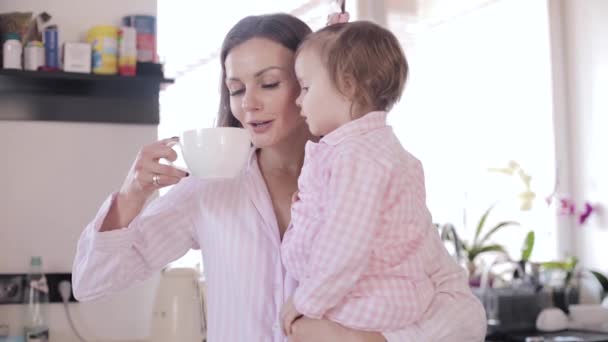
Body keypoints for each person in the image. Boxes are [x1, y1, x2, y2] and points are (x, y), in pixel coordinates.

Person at [72, 12, 486, 342]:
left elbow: (466, 315)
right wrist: (131, 194)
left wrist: (366, 339)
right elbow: (90, 283)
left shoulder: (371, 177)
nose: (248, 104)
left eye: (269, 83)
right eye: (235, 89)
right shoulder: (210, 189)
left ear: (316, 80)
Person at [279, 19, 443, 336]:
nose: (299, 100)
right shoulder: (366, 150)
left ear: (349, 86)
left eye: (307, 87)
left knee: (301, 330)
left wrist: (304, 301)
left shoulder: (357, 157)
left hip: (367, 301)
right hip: (369, 298)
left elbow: (343, 248)